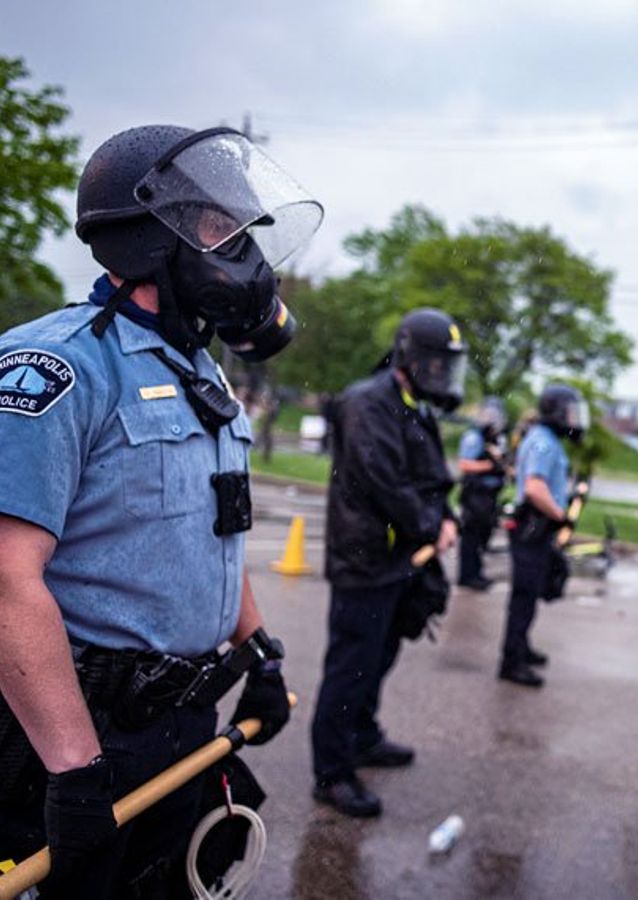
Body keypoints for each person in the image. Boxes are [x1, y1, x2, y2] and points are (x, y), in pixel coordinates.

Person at [0, 124, 316, 897]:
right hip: (75, 732)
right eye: (219, 226)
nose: (241, 248)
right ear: (147, 236)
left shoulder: (199, 372)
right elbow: (8, 583)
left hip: (182, 727)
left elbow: (221, 530)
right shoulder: (56, 367)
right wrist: (73, 770)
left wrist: (261, 650)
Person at [311, 308, 464, 818]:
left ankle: (363, 734)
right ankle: (332, 772)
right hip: (364, 560)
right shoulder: (366, 403)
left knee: (380, 657)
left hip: (399, 560)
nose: (443, 376)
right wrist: (429, 523)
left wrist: (446, 517)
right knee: (351, 665)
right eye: (437, 364)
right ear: (411, 359)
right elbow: (383, 483)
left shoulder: (413, 405)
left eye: (449, 366)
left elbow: (431, 478)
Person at [499, 383, 588, 688]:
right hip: (532, 526)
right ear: (555, 412)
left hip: (537, 528)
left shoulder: (545, 439)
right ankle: (512, 661)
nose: (574, 421)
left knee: (531, 591)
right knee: (524, 595)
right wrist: (561, 516)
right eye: (570, 414)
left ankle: (521, 647)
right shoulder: (543, 443)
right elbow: (535, 489)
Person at [457, 396, 508, 590]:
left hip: (489, 496)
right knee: (471, 536)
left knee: (482, 536)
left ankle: (476, 572)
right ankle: (467, 575)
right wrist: (490, 465)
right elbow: (465, 464)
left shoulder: (494, 439)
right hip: (475, 496)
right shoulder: (474, 437)